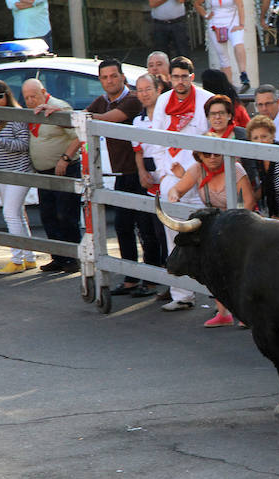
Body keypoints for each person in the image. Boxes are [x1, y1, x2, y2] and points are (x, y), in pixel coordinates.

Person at [85, 58, 159, 297]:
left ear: (123, 77)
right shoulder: (102, 102)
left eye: (113, 76)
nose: (110, 80)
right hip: (122, 175)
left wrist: (84, 119)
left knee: (146, 228)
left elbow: (111, 118)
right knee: (123, 226)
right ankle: (130, 278)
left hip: (141, 173)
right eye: (105, 77)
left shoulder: (132, 100)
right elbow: (82, 117)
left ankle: (151, 279)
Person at [165, 132, 255, 326]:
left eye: (216, 153)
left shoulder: (235, 168)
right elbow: (177, 188)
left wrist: (230, 226)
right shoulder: (197, 169)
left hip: (240, 223)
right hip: (217, 227)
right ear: (199, 155)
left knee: (239, 271)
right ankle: (223, 313)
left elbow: (249, 202)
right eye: (207, 154)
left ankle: (247, 313)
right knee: (211, 266)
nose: (212, 157)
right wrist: (173, 195)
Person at [151, 56, 213, 311]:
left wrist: (196, 171)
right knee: (173, 233)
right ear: (169, 78)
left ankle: (215, 293)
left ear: (191, 76)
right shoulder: (163, 101)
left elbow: (213, 139)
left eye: (184, 76)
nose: (179, 81)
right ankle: (181, 295)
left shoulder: (206, 99)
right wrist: (166, 172)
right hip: (171, 177)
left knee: (207, 233)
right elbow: (155, 140)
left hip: (199, 176)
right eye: (175, 77)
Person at [22, 78, 83, 272]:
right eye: (26, 98)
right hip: (43, 173)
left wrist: (65, 158)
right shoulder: (33, 111)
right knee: (48, 215)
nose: (30, 101)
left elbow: (79, 136)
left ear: (44, 91)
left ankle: (73, 258)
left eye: (34, 96)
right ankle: (58, 257)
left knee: (66, 215)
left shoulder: (59, 107)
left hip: (65, 169)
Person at [0, 79, 37, 274]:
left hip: (19, 172)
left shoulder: (16, 115)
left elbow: (23, 144)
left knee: (10, 215)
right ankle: (29, 258)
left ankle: (17, 259)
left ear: (7, 95)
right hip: (2, 174)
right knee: (18, 215)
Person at [132, 73, 171, 275]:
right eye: (140, 90)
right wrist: (142, 173)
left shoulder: (168, 116)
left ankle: (171, 276)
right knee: (150, 233)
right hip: (149, 183)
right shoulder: (137, 121)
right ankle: (154, 277)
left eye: (148, 89)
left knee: (167, 233)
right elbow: (138, 151)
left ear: (159, 90)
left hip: (170, 182)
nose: (144, 94)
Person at [194, 0, 250, 92]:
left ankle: (244, 75)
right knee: (222, 55)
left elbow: (240, 6)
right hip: (216, 23)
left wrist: (241, 24)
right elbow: (197, 4)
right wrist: (206, 15)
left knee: (238, 44)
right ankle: (229, 85)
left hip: (233, 21)